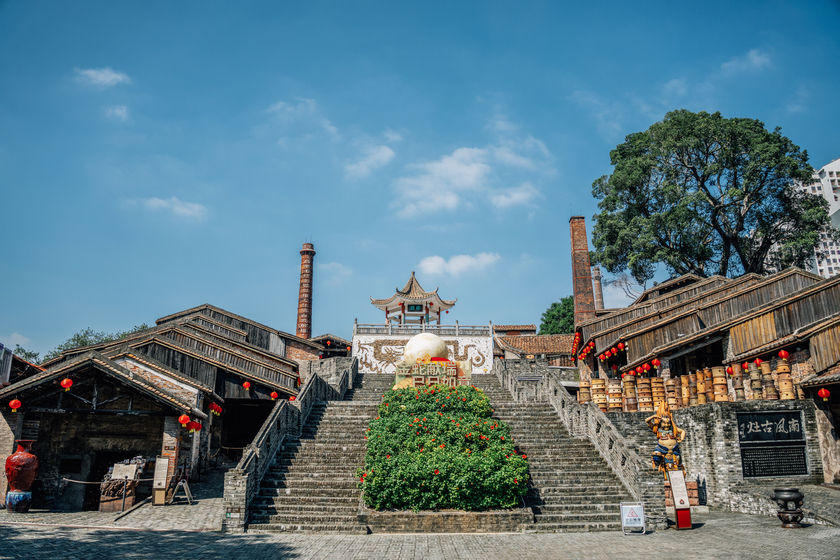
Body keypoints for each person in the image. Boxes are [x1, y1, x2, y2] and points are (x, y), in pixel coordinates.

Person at [645, 400, 686, 478]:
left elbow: (682, 431)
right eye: (664, 422)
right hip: (662, 449)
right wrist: (653, 417)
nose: (666, 424)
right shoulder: (658, 429)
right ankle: (657, 469)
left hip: (674, 450)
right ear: (661, 423)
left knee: (677, 463)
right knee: (656, 455)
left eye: (668, 423)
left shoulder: (673, 429)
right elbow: (647, 421)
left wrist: (681, 438)